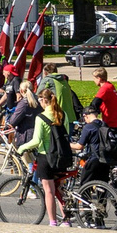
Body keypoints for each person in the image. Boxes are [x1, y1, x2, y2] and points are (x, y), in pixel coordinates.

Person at [31, 90, 74, 226]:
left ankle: (53, 221)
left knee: (49, 191)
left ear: (44, 100)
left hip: (46, 157)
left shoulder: (41, 118)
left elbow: (36, 141)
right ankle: (66, 221)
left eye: (40, 101)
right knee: (60, 189)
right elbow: (66, 134)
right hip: (61, 157)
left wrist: (22, 148)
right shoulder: (63, 115)